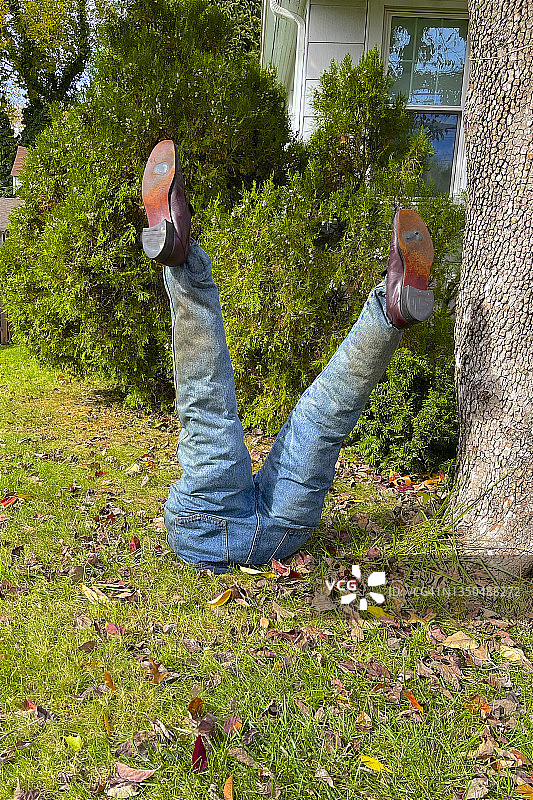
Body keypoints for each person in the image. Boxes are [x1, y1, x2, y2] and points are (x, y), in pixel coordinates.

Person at [141, 140, 435, 573]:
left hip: (212, 532)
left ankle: (178, 251)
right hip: (256, 530)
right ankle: (392, 309)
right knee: (213, 406)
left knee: (321, 420)